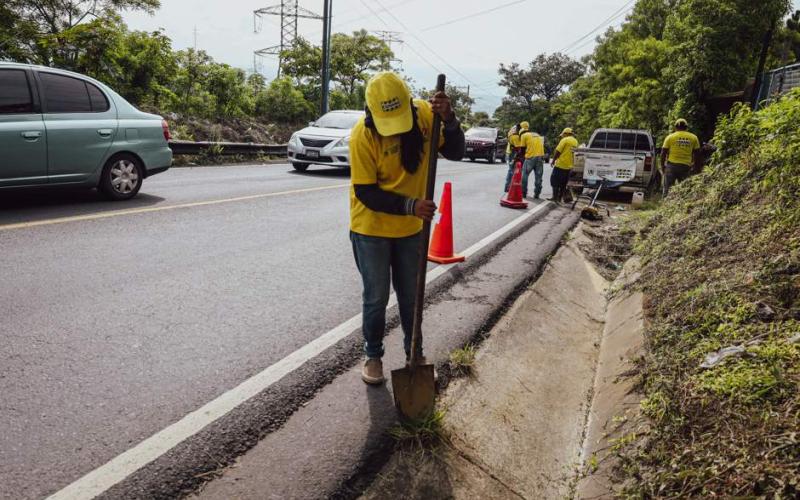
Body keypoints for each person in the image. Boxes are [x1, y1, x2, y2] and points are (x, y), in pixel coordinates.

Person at [349, 72, 465, 385]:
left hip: (411, 231)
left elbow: (456, 151)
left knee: (411, 296)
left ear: (409, 105)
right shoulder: (362, 135)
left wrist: (450, 119)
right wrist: (411, 205)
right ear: (372, 111)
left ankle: (415, 353)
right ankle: (373, 355)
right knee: (376, 298)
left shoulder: (428, 116)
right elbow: (366, 192)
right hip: (371, 229)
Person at [661, 118, 700, 196]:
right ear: (686, 127)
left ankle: (665, 205)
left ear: (675, 127)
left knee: (667, 190)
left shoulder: (670, 137)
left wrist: (663, 166)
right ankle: (680, 206)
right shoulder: (693, 137)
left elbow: (663, 153)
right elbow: (697, 154)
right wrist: (695, 167)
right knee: (684, 191)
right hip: (686, 167)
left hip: (671, 166)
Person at [549, 128, 578, 203]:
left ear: (566, 134)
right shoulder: (575, 141)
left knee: (554, 181)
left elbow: (558, 151)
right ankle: (559, 199)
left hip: (560, 164)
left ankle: (554, 198)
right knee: (563, 183)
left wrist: (553, 160)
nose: (562, 136)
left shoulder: (565, 140)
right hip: (569, 166)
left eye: (563, 135)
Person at [519, 126, 545, 198]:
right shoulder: (537, 135)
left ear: (521, 133)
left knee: (524, 175)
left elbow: (522, 149)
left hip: (530, 158)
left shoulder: (524, 136)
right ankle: (537, 194)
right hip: (540, 157)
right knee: (538, 177)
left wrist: (521, 159)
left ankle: (523, 192)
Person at [503, 123, 522, 193]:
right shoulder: (515, 136)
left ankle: (508, 187)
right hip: (513, 154)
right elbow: (518, 148)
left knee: (511, 170)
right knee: (511, 171)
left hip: (510, 152)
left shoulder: (512, 131)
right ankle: (508, 187)